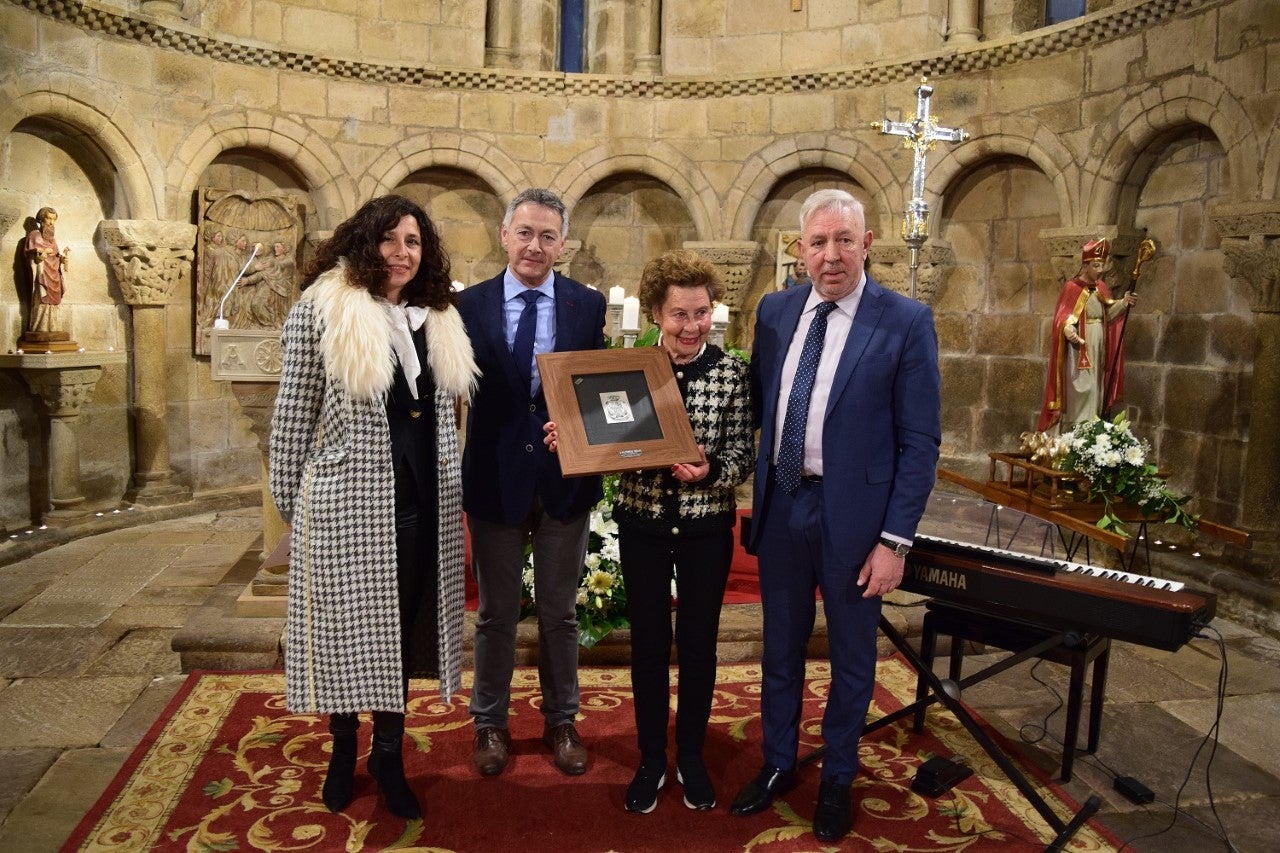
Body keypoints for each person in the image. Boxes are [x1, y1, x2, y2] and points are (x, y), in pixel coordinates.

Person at [732, 189, 941, 843]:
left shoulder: (905, 320)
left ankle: (838, 778)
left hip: (858, 517)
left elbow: (920, 441)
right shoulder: (775, 311)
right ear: (801, 249)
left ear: (867, 242)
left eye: (843, 241)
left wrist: (894, 540)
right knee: (781, 649)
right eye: (816, 243)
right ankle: (776, 763)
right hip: (785, 501)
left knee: (852, 657)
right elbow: (757, 407)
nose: (829, 256)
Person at [268, 195, 479, 821]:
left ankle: (388, 753)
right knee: (344, 636)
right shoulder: (323, 310)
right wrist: (294, 508)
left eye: (413, 242)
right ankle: (341, 750)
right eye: (390, 240)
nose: (401, 253)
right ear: (365, 242)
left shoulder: (437, 317)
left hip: (421, 506)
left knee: (397, 632)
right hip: (344, 506)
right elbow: (291, 417)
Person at [545, 250, 754, 814]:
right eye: (680, 315)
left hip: (708, 528)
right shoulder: (627, 369)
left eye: (702, 312)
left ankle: (690, 756)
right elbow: (601, 434)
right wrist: (570, 431)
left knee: (700, 647)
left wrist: (714, 470)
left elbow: (744, 454)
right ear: (658, 315)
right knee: (649, 648)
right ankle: (651, 758)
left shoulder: (733, 371)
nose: (692, 327)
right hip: (643, 526)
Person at [457, 188, 608, 779]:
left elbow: (595, 390)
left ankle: (561, 720)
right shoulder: (466, 307)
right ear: (504, 234)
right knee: (496, 613)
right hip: (494, 479)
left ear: (562, 244)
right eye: (525, 233)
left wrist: (577, 431)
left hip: (561, 481)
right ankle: (489, 723)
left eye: (548, 236)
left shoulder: (585, 306)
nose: (535, 246)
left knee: (559, 612)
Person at [1038, 238, 1137, 434]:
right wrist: (1068, 329)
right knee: (1083, 388)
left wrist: (1123, 302)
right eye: (1096, 265)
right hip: (1080, 346)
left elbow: (1108, 314)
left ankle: (1093, 430)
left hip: (1099, 341)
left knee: (1097, 387)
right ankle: (1077, 430)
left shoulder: (1101, 288)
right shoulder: (1072, 287)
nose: (1100, 270)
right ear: (1085, 265)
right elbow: (1062, 318)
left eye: (1102, 265)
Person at [25, 206, 69, 333]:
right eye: (48, 218)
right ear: (41, 219)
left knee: (54, 302)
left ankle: (53, 328)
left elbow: (56, 256)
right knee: (42, 299)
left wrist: (62, 259)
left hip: (54, 274)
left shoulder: (53, 240)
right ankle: (40, 328)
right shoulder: (34, 236)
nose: (51, 223)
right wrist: (40, 255)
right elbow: (30, 255)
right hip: (42, 274)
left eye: (53, 219)